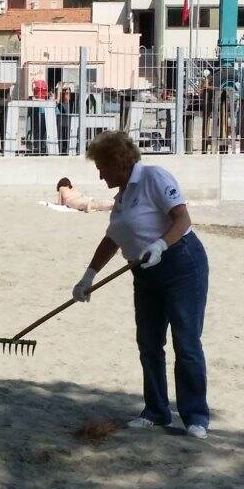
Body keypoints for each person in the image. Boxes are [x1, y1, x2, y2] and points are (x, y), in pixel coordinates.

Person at [72, 131, 209, 439]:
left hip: (182, 266)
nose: (99, 173)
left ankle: (195, 415)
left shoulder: (153, 177)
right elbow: (112, 238)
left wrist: (161, 244)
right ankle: (156, 411)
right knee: (149, 343)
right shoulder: (122, 197)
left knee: (186, 342)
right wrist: (88, 275)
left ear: (119, 162)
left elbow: (182, 219)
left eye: (102, 166)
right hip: (144, 273)